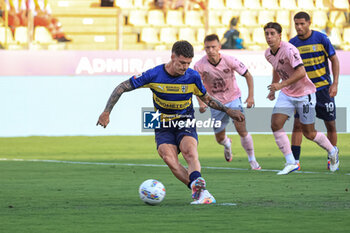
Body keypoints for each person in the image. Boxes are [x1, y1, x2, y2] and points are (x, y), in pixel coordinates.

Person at [97, 40, 245, 204]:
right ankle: (199, 189)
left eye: (188, 63)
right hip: (161, 123)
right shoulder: (153, 75)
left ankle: (200, 191)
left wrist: (227, 110)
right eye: (182, 63)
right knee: (169, 158)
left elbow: (207, 98)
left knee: (189, 151)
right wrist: (106, 112)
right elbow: (122, 86)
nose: (185, 67)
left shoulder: (192, 76)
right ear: (172, 57)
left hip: (185, 120)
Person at [264, 22, 339, 175]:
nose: (269, 37)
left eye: (272, 33)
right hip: (287, 93)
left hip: (305, 94)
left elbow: (301, 73)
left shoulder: (290, 50)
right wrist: (274, 87)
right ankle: (291, 162)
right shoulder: (268, 54)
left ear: (280, 35)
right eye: (267, 34)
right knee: (275, 124)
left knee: (309, 133)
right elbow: (277, 68)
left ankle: (332, 150)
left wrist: (281, 85)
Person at [194, 34, 261, 170]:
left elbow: (248, 75)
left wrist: (251, 96)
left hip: (233, 99)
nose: (211, 50)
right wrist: (201, 102)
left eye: (213, 47)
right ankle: (227, 144)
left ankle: (252, 159)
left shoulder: (229, 60)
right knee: (219, 138)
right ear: (204, 48)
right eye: (208, 47)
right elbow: (195, 86)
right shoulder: (199, 66)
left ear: (219, 47)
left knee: (241, 129)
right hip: (215, 104)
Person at [289, 12, 340, 170]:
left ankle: (332, 157)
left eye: (302, 24)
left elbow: (334, 60)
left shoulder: (321, 39)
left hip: (323, 88)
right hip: (304, 92)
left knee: (330, 124)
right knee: (298, 125)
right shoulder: (292, 44)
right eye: (296, 24)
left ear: (309, 23)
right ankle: (295, 162)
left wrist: (335, 83)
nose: (299, 27)